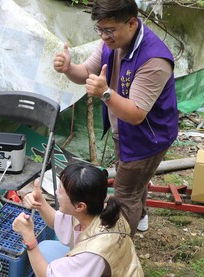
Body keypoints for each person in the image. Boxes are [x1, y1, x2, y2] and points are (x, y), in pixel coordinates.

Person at [53, 0, 178, 233]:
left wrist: (105, 93)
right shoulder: (110, 42)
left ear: (132, 23)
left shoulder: (155, 60)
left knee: (125, 193)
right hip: (125, 130)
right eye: (99, 30)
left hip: (148, 137)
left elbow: (136, 115)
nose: (104, 36)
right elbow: (87, 72)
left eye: (109, 30)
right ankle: (141, 218)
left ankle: (118, 246)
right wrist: (69, 68)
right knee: (133, 179)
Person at [13, 163, 143, 277]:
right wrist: (40, 202)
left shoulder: (93, 252)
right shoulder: (101, 209)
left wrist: (29, 238)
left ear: (80, 206)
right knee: (44, 249)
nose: (57, 193)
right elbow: (57, 222)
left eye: (60, 190)